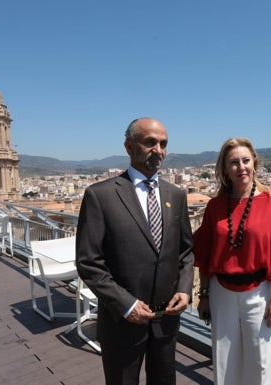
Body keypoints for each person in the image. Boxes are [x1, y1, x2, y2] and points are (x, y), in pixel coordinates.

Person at [75, 117, 194, 385]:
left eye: (163, 143)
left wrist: (185, 290)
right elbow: (89, 263)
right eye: (149, 142)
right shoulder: (100, 196)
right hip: (122, 322)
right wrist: (126, 305)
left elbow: (185, 252)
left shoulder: (176, 195)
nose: (158, 150)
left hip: (166, 319)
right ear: (129, 147)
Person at [192, 137, 271, 385]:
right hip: (222, 293)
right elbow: (207, 255)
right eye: (234, 162)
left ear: (254, 163)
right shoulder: (215, 206)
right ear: (225, 169)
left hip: (260, 292)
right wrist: (205, 295)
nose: (241, 167)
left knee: (261, 363)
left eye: (245, 160)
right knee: (224, 361)